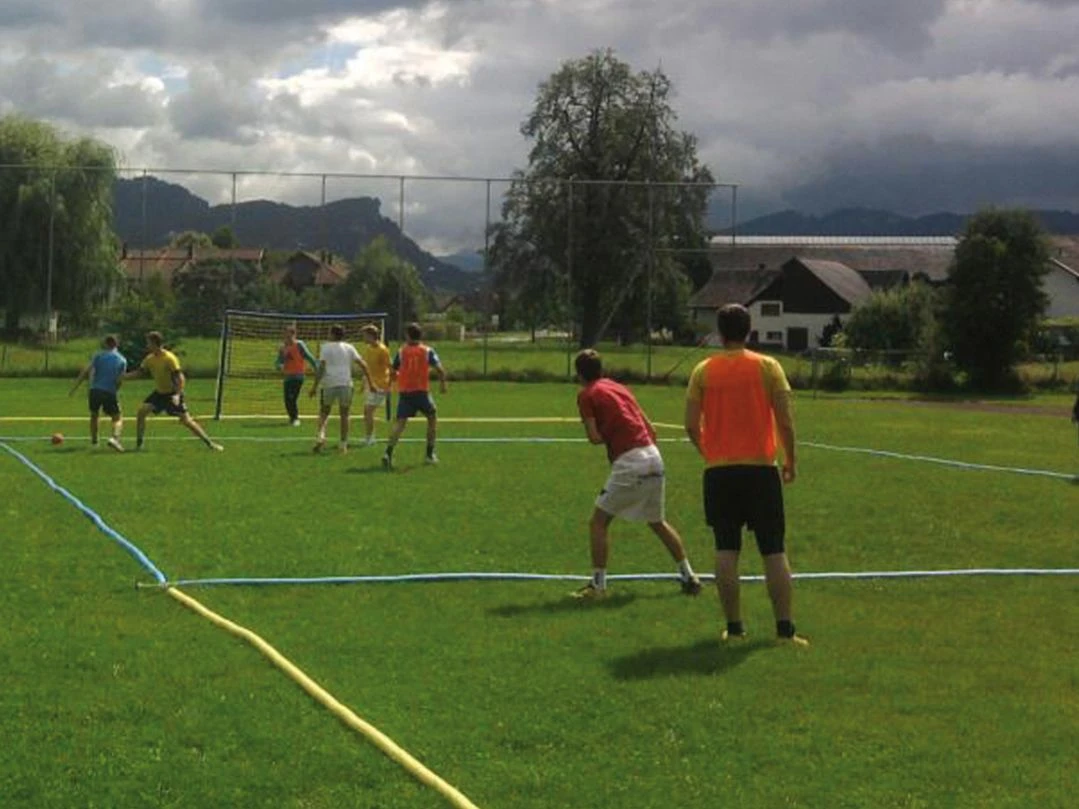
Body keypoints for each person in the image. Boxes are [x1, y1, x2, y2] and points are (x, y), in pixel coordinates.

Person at [683, 303, 808, 646]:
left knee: (726, 548)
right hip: (760, 470)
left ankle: (735, 628)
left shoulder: (703, 371)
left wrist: (709, 451)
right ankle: (784, 631)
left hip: (719, 473)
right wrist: (791, 460)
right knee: (773, 550)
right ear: (749, 330)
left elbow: (690, 426)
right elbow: (785, 420)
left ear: (720, 333)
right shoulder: (768, 366)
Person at [572, 349, 701, 600]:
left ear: (579, 374)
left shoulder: (586, 395)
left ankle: (598, 586)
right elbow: (651, 430)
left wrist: (612, 433)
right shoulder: (619, 388)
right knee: (657, 522)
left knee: (598, 522)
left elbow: (594, 437)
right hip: (654, 456)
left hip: (630, 462)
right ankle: (689, 576)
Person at [125, 331, 223, 451]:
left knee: (186, 420)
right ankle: (139, 445)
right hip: (159, 393)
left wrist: (177, 394)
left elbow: (180, 377)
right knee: (141, 412)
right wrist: (122, 377)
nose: (147, 346)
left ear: (155, 343)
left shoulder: (169, 358)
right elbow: (139, 372)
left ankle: (210, 444)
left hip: (172, 394)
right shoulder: (149, 359)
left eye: (149, 343)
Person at [382, 322, 447, 469]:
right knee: (432, 418)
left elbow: (393, 370)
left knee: (400, 423)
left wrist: (396, 379)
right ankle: (429, 454)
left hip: (405, 392)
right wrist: (443, 384)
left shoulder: (402, 351)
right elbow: (440, 369)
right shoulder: (427, 351)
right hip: (421, 391)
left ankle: (388, 452)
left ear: (408, 335)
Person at [308, 323, 372, 454]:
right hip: (345, 383)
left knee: (324, 412)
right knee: (344, 415)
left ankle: (320, 436)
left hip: (329, 383)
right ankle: (343, 444)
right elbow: (363, 364)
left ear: (332, 334)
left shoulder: (325, 347)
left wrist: (314, 386)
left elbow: (321, 368)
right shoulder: (349, 347)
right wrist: (370, 381)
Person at [69, 334, 127, 452]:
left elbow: (86, 371)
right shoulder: (122, 360)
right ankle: (115, 438)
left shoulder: (98, 356)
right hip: (109, 391)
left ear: (106, 344)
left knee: (94, 415)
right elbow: (119, 380)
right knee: (117, 418)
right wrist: (115, 391)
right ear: (116, 344)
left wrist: (74, 388)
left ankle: (95, 442)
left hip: (94, 391)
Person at [275, 325, 319, 426]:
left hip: (298, 376)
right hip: (288, 377)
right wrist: (278, 366)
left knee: (292, 397)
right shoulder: (283, 347)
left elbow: (309, 357)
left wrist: (316, 368)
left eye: (288, 334)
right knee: (287, 399)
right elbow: (278, 361)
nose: (286, 336)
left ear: (293, 334)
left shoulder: (299, 345)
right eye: (285, 334)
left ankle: (295, 418)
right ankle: (292, 418)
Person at [360, 324, 393, 446]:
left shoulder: (383, 350)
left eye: (365, 336)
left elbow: (390, 368)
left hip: (380, 385)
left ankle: (370, 438)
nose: (363, 338)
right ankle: (370, 436)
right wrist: (364, 383)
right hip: (371, 384)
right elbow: (368, 368)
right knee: (367, 412)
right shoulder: (369, 349)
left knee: (368, 411)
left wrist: (389, 386)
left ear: (371, 336)